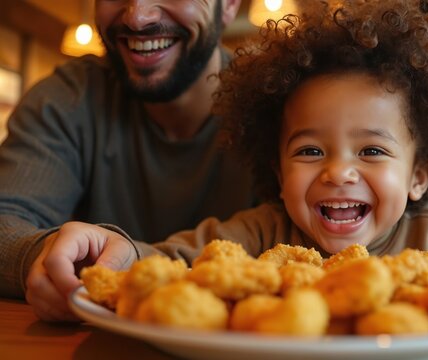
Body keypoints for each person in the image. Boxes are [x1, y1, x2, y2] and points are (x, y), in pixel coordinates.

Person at [28, 0, 428, 321]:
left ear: (419, 174)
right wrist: (116, 249)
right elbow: (169, 263)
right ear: (278, 169)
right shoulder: (260, 235)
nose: (338, 172)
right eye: (310, 151)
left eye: (371, 151)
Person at [0, 0, 257, 320]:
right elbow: (6, 219)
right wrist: (42, 256)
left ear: (230, 5)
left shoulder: (278, 107)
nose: (137, 17)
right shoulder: (67, 97)